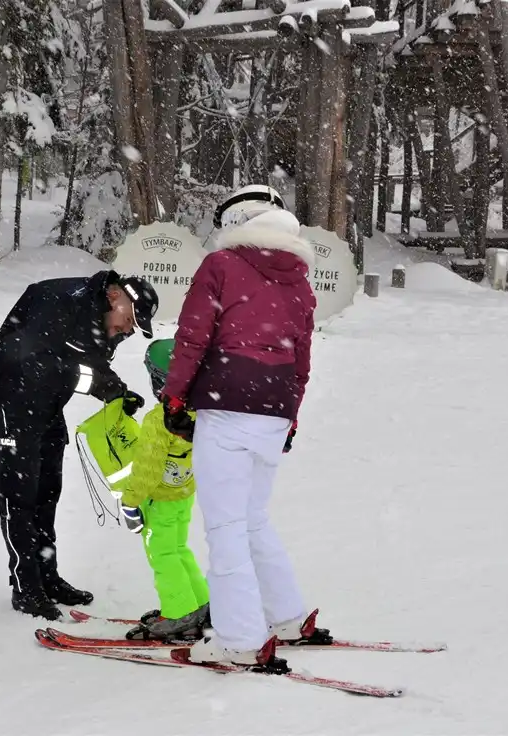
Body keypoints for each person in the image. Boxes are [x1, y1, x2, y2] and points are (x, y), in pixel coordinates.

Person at [159, 184, 327, 671]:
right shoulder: (298, 280)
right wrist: (290, 416)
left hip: (226, 402)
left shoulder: (221, 266)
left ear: (234, 222)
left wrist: (174, 397)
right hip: (274, 407)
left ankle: (238, 639)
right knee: (253, 516)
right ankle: (288, 617)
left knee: (227, 525)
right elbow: (302, 362)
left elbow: (192, 337)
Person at [0, 270, 159, 620]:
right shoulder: (59, 303)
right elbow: (40, 364)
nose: (128, 330)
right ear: (116, 295)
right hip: (11, 397)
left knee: (47, 489)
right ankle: (25, 586)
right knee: (21, 494)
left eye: (133, 328)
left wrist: (117, 390)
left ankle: (47, 575)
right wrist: (99, 385)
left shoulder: (101, 316)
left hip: (45, 401)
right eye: (130, 321)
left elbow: (91, 362)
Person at [117, 338, 210, 642]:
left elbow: (147, 468)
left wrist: (131, 502)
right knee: (180, 549)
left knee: (162, 555)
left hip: (160, 501)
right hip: (184, 497)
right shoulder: (202, 412)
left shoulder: (160, 420)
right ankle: (201, 605)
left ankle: (178, 613)